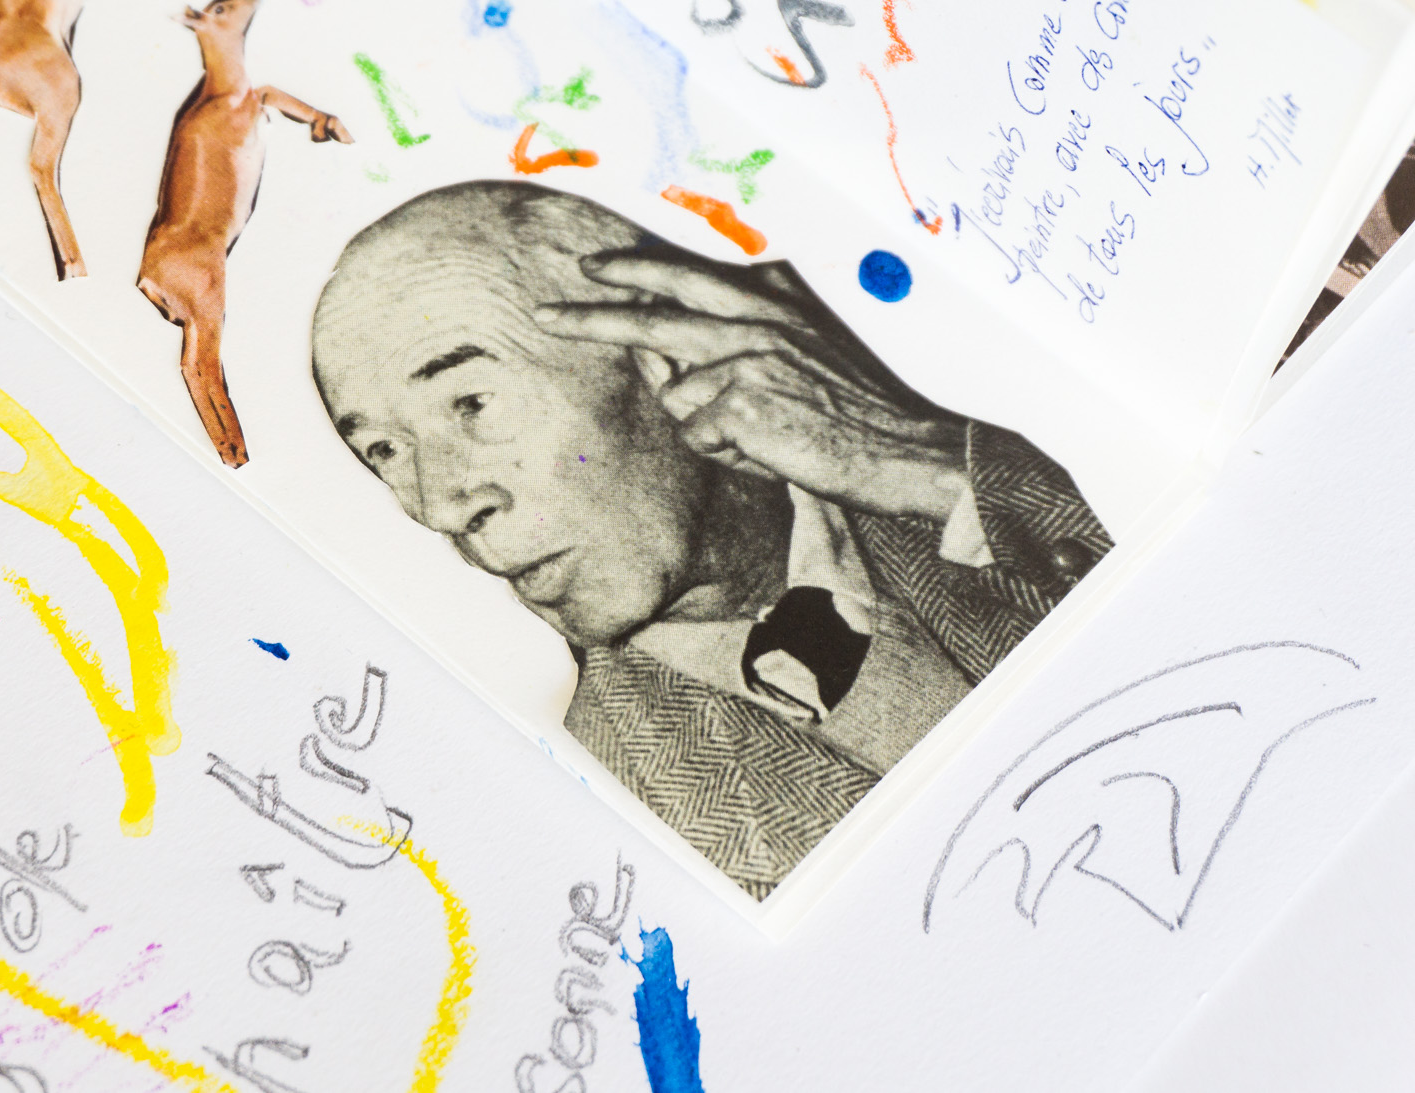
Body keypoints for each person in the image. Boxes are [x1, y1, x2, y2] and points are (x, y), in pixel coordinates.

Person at [310, 181, 1112, 898]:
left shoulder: (989, 481)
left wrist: (936, 471)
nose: (442, 503)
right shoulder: (611, 818)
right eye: (383, 449)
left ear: (660, 354)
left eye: (472, 402)